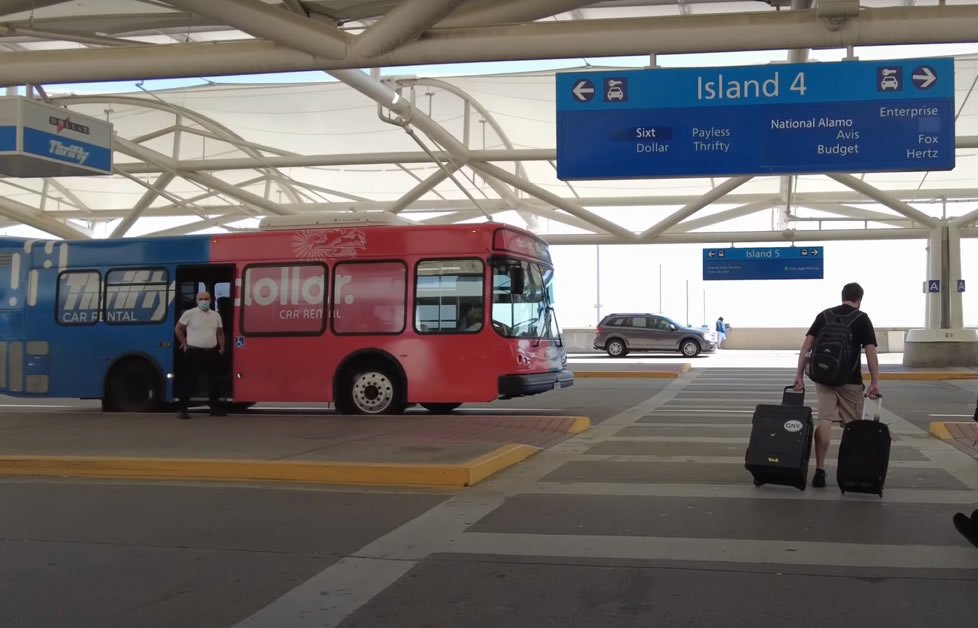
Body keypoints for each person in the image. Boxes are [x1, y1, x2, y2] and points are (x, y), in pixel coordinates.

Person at [792, 282, 880, 488]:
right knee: (852, 427)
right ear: (860, 298)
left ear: (842, 296)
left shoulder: (824, 315)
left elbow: (806, 346)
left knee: (824, 420)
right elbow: (871, 352)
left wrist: (798, 375)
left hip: (823, 377)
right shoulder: (862, 318)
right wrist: (875, 381)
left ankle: (820, 471)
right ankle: (849, 471)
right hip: (850, 381)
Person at [174, 291, 226, 419]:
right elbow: (178, 329)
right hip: (193, 352)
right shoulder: (189, 314)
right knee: (189, 381)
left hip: (211, 352)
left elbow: (220, 333)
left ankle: (214, 408)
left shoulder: (216, 315)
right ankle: (182, 410)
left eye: (206, 299)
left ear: (211, 300)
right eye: (201, 299)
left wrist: (222, 347)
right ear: (196, 301)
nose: (204, 301)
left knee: (214, 382)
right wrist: (184, 343)